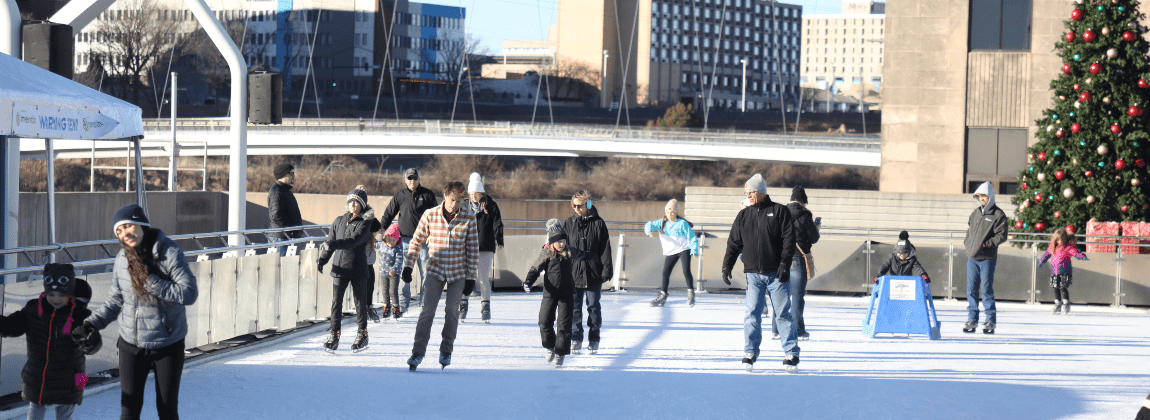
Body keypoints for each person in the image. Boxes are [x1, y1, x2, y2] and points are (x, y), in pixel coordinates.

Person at [75, 203, 198, 420]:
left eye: (127, 226)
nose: (124, 234)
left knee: (167, 408)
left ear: (141, 225)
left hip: (167, 345)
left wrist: (151, 282)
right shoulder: (122, 259)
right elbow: (115, 301)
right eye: (119, 231)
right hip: (130, 345)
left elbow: (188, 293)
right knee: (129, 408)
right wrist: (91, 323)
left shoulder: (169, 253)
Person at [720, 174, 800, 373]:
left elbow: (789, 240)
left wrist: (784, 263)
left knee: (782, 313)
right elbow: (733, 243)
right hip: (753, 274)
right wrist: (726, 265)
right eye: (747, 193)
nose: (749, 196)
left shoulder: (779, 211)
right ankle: (750, 352)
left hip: (776, 274)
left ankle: (791, 353)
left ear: (761, 191)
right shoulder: (744, 215)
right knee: (752, 313)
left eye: (752, 192)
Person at [0, 264, 101, 420]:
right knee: (35, 409)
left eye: (62, 294)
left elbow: (92, 343)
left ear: (70, 294)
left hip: (70, 377)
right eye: (51, 294)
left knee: (65, 413)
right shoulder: (33, 311)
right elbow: (12, 326)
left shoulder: (79, 316)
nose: (56, 299)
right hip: (38, 375)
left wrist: (90, 341)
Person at [402, 182, 478, 371]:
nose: (455, 205)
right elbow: (416, 241)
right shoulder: (431, 215)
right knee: (427, 311)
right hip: (435, 270)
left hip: (458, 272)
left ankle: (446, 350)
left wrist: (471, 277)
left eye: (460, 201)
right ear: (445, 195)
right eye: (453, 200)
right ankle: (417, 352)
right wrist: (408, 266)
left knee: (452, 311)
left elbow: (473, 250)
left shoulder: (469, 217)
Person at [523, 219, 598, 367]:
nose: (562, 244)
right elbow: (535, 269)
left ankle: (560, 353)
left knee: (564, 325)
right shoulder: (546, 253)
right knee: (544, 321)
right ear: (552, 242)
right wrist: (528, 282)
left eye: (563, 240)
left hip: (567, 293)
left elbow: (583, 255)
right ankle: (550, 346)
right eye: (559, 241)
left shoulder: (569, 251)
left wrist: (596, 257)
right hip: (550, 293)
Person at [316, 187, 375, 352]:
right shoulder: (338, 221)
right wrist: (322, 259)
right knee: (336, 303)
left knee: (359, 304)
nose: (353, 205)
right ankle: (334, 335)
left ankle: (362, 334)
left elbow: (353, 241)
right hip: (340, 268)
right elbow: (330, 243)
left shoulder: (365, 223)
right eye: (351, 201)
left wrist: (333, 244)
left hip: (358, 268)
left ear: (362, 205)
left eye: (357, 202)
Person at [380, 168, 438, 313]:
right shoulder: (400, 195)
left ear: (419, 179)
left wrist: (434, 235)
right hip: (404, 241)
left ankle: (424, 304)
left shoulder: (428, 195)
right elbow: (389, 213)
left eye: (414, 178)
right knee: (404, 273)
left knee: (426, 273)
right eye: (409, 178)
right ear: (405, 180)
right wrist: (381, 230)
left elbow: (436, 217)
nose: (412, 181)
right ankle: (403, 304)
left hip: (423, 241)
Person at [562, 190, 612, 355]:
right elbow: (562, 248)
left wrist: (606, 269)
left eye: (580, 205)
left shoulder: (598, 223)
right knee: (575, 307)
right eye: (574, 206)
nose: (577, 209)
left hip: (593, 273)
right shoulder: (569, 223)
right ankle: (576, 337)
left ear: (588, 204)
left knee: (593, 306)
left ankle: (594, 337)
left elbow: (605, 248)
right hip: (574, 273)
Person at [772, 186, 820, 340]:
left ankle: (776, 330)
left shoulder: (780, 213)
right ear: (803, 201)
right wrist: (816, 227)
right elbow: (814, 238)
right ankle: (798, 330)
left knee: (780, 295)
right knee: (797, 297)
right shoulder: (805, 216)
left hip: (780, 260)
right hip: (798, 259)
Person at [963, 182, 1008, 334]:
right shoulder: (975, 213)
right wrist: (968, 244)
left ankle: (990, 320)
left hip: (987, 258)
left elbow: (1002, 236)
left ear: (990, 197)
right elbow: (969, 231)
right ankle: (972, 319)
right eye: (980, 196)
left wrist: (986, 245)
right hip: (972, 258)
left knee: (986, 289)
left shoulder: (998, 215)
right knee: (971, 289)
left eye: (984, 196)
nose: (982, 198)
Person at [460, 172, 503, 323]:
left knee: (483, 278)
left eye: (476, 194)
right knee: (465, 276)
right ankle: (463, 304)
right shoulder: (464, 205)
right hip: (467, 246)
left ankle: (485, 307)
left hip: (485, 245)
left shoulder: (490, 205)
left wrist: (500, 240)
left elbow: (497, 223)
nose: (473, 196)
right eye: (471, 193)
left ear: (481, 193)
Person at [644, 199, 699, 307]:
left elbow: (691, 237)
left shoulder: (682, 223)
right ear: (665, 212)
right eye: (668, 212)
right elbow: (649, 224)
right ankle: (663, 296)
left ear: (676, 212)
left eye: (672, 212)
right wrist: (649, 231)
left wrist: (694, 250)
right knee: (665, 272)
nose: (670, 214)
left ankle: (691, 294)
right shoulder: (662, 223)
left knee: (686, 270)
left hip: (684, 249)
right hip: (671, 251)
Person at [1037, 228, 1089, 315]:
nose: (1058, 241)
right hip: (1055, 272)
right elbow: (1046, 254)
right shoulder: (1052, 247)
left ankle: (1066, 303)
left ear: (1064, 239)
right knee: (1055, 287)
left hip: (1065, 272)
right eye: (1056, 239)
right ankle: (1057, 304)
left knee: (1062, 287)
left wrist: (1082, 256)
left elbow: (1076, 253)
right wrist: (1041, 261)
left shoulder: (1068, 248)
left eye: (1060, 240)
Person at [267, 162, 303, 256]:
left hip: (284, 237)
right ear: (284, 174)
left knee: (285, 268)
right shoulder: (277, 192)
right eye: (291, 173)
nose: (293, 176)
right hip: (280, 238)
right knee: (278, 268)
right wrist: (291, 230)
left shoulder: (284, 191)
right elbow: (276, 215)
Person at [377, 224, 405, 319]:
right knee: (385, 291)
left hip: (393, 274)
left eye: (393, 241)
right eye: (389, 240)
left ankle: (396, 308)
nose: (391, 243)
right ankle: (386, 307)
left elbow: (399, 260)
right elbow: (374, 244)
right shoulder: (382, 245)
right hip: (383, 272)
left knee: (392, 291)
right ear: (385, 238)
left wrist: (394, 269)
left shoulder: (398, 248)